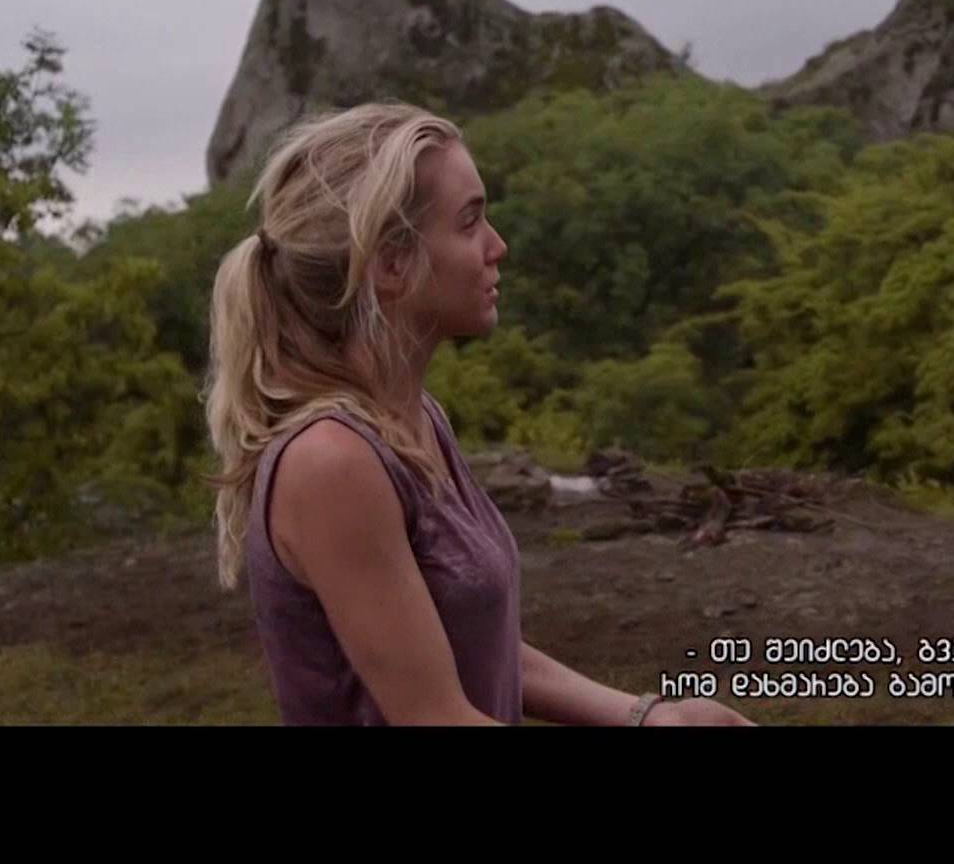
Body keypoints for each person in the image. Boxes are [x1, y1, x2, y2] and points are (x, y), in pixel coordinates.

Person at [204, 101, 753, 727]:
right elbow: (436, 716)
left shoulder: (415, 421)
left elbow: (472, 652)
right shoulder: (331, 463)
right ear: (390, 264)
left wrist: (652, 717)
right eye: (469, 223)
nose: (498, 245)